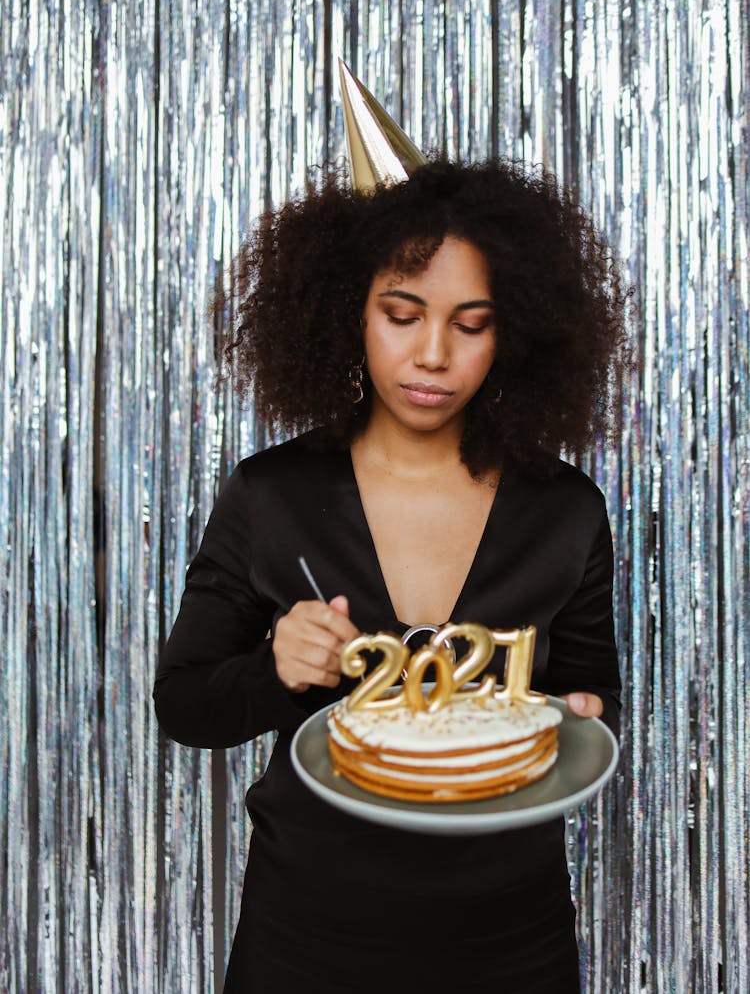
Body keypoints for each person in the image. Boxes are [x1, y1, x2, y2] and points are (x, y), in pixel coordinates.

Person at [153, 74, 627, 993]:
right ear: (348, 310)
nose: (434, 355)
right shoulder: (272, 494)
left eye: (472, 324)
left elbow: (589, 690)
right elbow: (185, 706)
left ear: (514, 336)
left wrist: (581, 719)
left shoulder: (566, 508)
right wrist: (276, 666)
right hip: (307, 942)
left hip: (513, 944)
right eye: (402, 315)